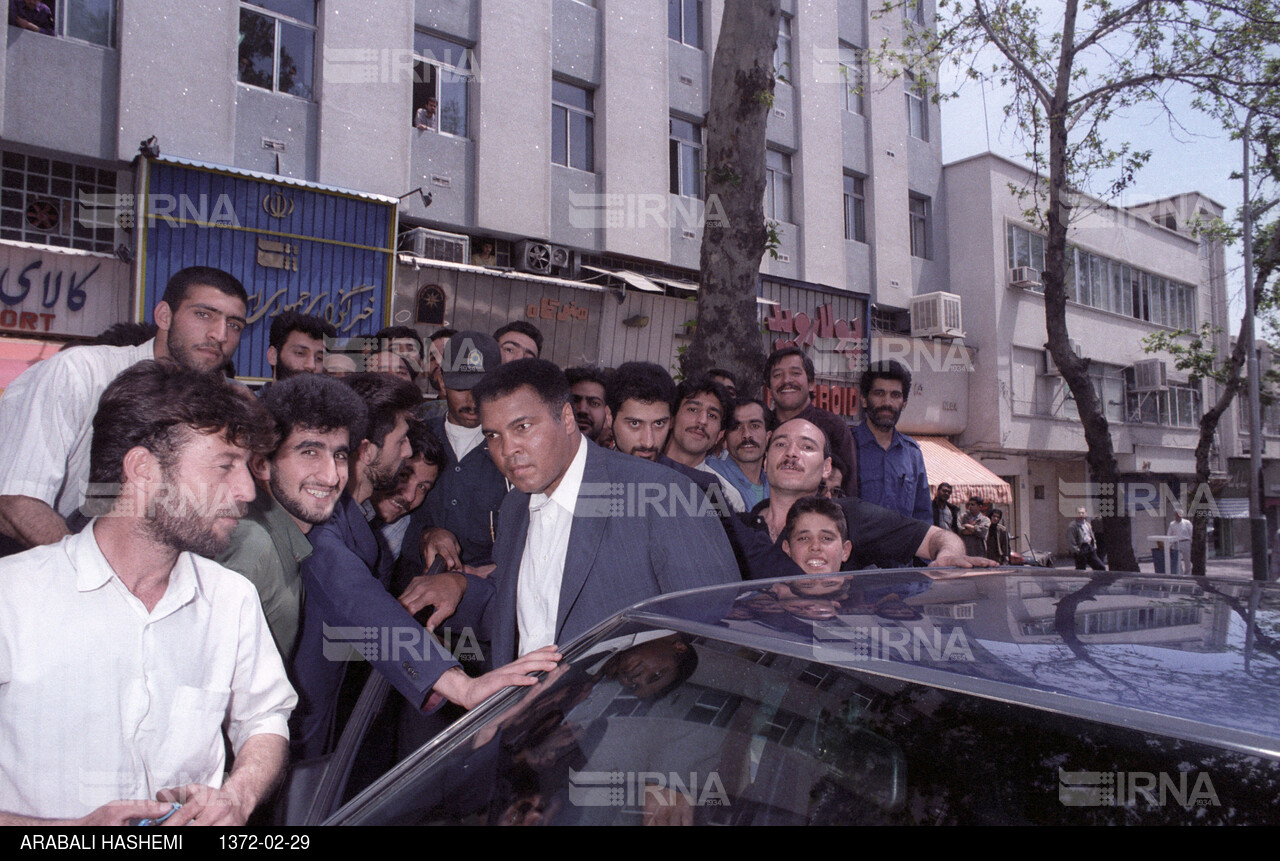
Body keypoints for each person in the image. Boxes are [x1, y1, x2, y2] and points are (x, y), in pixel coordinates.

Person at [0, 360, 294, 825]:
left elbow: (265, 717)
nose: (245, 490)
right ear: (142, 469)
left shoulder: (230, 598)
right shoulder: (12, 597)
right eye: (224, 466)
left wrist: (238, 796)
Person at [289, 371, 555, 759]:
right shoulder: (324, 524)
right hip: (303, 732)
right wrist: (460, 686)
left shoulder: (357, 519)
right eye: (401, 442)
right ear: (366, 450)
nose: (408, 453)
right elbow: (359, 600)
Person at [438, 359, 739, 667]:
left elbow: (714, 635)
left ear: (567, 418)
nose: (506, 450)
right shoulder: (515, 506)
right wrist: (457, 588)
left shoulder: (665, 495)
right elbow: (519, 610)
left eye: (522, 427)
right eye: (493, 435)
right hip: (526, 709)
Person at [0, 266, 248, 552]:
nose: (220, 334)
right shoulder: (80, 373)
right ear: (164, 316)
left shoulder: (219, 403)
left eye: (234, 325)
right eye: (203, 314)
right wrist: (98, 580)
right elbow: (16, 503)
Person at [217, 374, 368, 660]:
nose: (332, 475)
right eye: (310, 452)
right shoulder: (252, 548)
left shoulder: (286, 541)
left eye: (339, 455)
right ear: (262, 465)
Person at [731, 418, 994, 579]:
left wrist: (947, 556)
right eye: (780, 444)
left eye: (807, 446)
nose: (791, 453)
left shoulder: (850, 515)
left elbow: (939, 537)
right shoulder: (740, 527)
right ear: (766, 462)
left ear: (826, 468)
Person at [412, 331, 510, 572]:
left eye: (482, 388)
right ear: (443, 382)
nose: (472, 399)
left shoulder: (514, 451)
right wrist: (426, 535)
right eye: (461, 387)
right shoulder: (414, 441)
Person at [764, 345, 857, 497]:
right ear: (769, 388)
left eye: (795, 373)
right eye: (777, 375)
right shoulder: (761, 427)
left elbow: (849, 492)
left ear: (811, 383)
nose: (786, 380)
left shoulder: (833, 428)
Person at [853, 360, 931, 522]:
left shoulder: (912, 454)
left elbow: (922, 516)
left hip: (903, 547)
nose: (887, 403)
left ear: (904, 404)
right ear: (864, 400)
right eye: (879, 393)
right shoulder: (846, 445)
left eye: (895, 395)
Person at [664, 378, 746, 512]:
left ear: (720, 435)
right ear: (671, 419)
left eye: (712, 415)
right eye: (693, 409)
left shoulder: (727, 497)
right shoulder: (641, 470)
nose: (702, 421)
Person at [606, 361, 676, 462]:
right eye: (635, 424)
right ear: (609, 417)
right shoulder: (585, 472)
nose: (648, 443)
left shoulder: (684, 477)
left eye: (659, 424)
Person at [713, 398, 773, 510]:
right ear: (725, 437)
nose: (746, 434)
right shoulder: (712, 476)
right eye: (736, 427)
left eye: (755, 426)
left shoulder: (775, 485)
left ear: (768, 436)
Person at [782, 496, 852, 575]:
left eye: (826, 538)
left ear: (845, 550)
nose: (815, 547)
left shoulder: (865, 587)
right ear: (787, 549)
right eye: (804, 538)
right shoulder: (768, 587)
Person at [264, 311, 335, 387]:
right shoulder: (252, 398)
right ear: (273, 356)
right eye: (300, 353)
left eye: (319, 358)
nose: (311, 365)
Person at [565, 366, 610, 443]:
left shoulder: (615, 455)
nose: (582, 409)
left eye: (594, 403)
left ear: (607, 415)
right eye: (575, 400)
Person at [1069, 506, 1106, 571]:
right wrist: (1077, 551)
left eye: (1083, 513)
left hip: (1089, 548)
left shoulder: (1087, 524)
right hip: (1081, 548)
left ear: (1086, 514)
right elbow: (1071, 540)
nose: (1081, 515)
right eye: (1079, 513)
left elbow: (1091, 536)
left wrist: (1094, 546)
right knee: (1080, 569)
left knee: (1100, 567)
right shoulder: (1073, 526)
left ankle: (1097, 581)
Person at [1169, 509, 1193, 575]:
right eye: (1176, 515)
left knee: (1187, 560)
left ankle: (1188, 574)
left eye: (1179, 515)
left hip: (1186, 542)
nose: (1177, 516)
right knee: (1178, 561)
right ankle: (1180, 574)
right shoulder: (1172, 524)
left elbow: (1191, 533)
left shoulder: (1187, 523)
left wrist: (1192, 543)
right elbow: (1169, 534)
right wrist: (1169, 545)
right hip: (1176, 543)